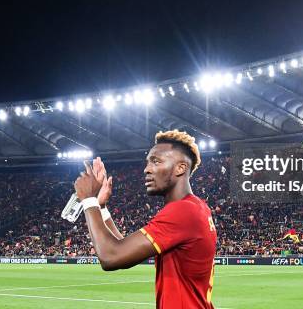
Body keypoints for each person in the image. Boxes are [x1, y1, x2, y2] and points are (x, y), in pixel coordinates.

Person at [74, 129, 217, 308]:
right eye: (148, 162)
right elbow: (123, 249)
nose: (147, 169)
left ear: (181, 168)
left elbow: (110, 257)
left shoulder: (183, 211)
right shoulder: (196, 207)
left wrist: (88, 199)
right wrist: (101, 208)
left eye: (156, 161)